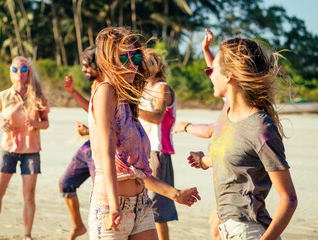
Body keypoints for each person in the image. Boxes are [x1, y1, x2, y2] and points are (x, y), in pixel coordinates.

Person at [88, 26, 200, 240]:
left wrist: (174, 194)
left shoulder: (127, 99)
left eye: (136, 57)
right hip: (111, 206)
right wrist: (113, 206)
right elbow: (107, 156)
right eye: (123, 58)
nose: (131, 64)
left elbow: (136, 170)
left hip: (141, 205)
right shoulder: (105, 91)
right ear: (108, 60)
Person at [187, 34, 298, 240]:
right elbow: (240, 161)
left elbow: (289, 199)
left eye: (212, 71)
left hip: (250, 232)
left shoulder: (260, 128)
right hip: (229, 230)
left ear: (229, 76)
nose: (209, 74)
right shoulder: (227, 114)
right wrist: (203, 161)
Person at [0, 56, 50, 240]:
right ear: (10, 73)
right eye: (15, 69)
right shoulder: (3, 96)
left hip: (31, 152)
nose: (20, 73)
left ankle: (27, 235)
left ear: (29, 72)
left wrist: (35, 123)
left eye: (24, 69)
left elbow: (46, 123)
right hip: (8, 149)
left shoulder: (38, 96)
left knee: (30, 196)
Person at [172, 28, 221, 240]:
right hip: (228, 189)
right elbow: (217, 71)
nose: (209, 75)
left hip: (237, 197)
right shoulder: (237, 101)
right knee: (215, 224)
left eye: (212, 72)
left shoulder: (236, 108)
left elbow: (211, 130)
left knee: (216, 227)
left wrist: (185, 126)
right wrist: (205, 49)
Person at [59, 45, 103, 240]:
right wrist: (72, 91)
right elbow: (93, 110)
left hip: (101, 150)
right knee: (66, 183)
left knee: (101, 196)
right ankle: (78, 225)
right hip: (89, 146)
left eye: (86, 66)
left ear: (97, 65)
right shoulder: (95, 85)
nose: (83, 70)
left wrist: (88, 130)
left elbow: (111, 124)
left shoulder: (107, 87)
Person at [138, 48, 177, 240]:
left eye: (150, 61)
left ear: (158, 65)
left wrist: (132, 108)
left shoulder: (163, 88)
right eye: (141, 61)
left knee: (157, 208)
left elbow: (157, 117)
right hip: (141, 151)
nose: (144, 64)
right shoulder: (140, 90)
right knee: (142, 205)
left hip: (158, 151)